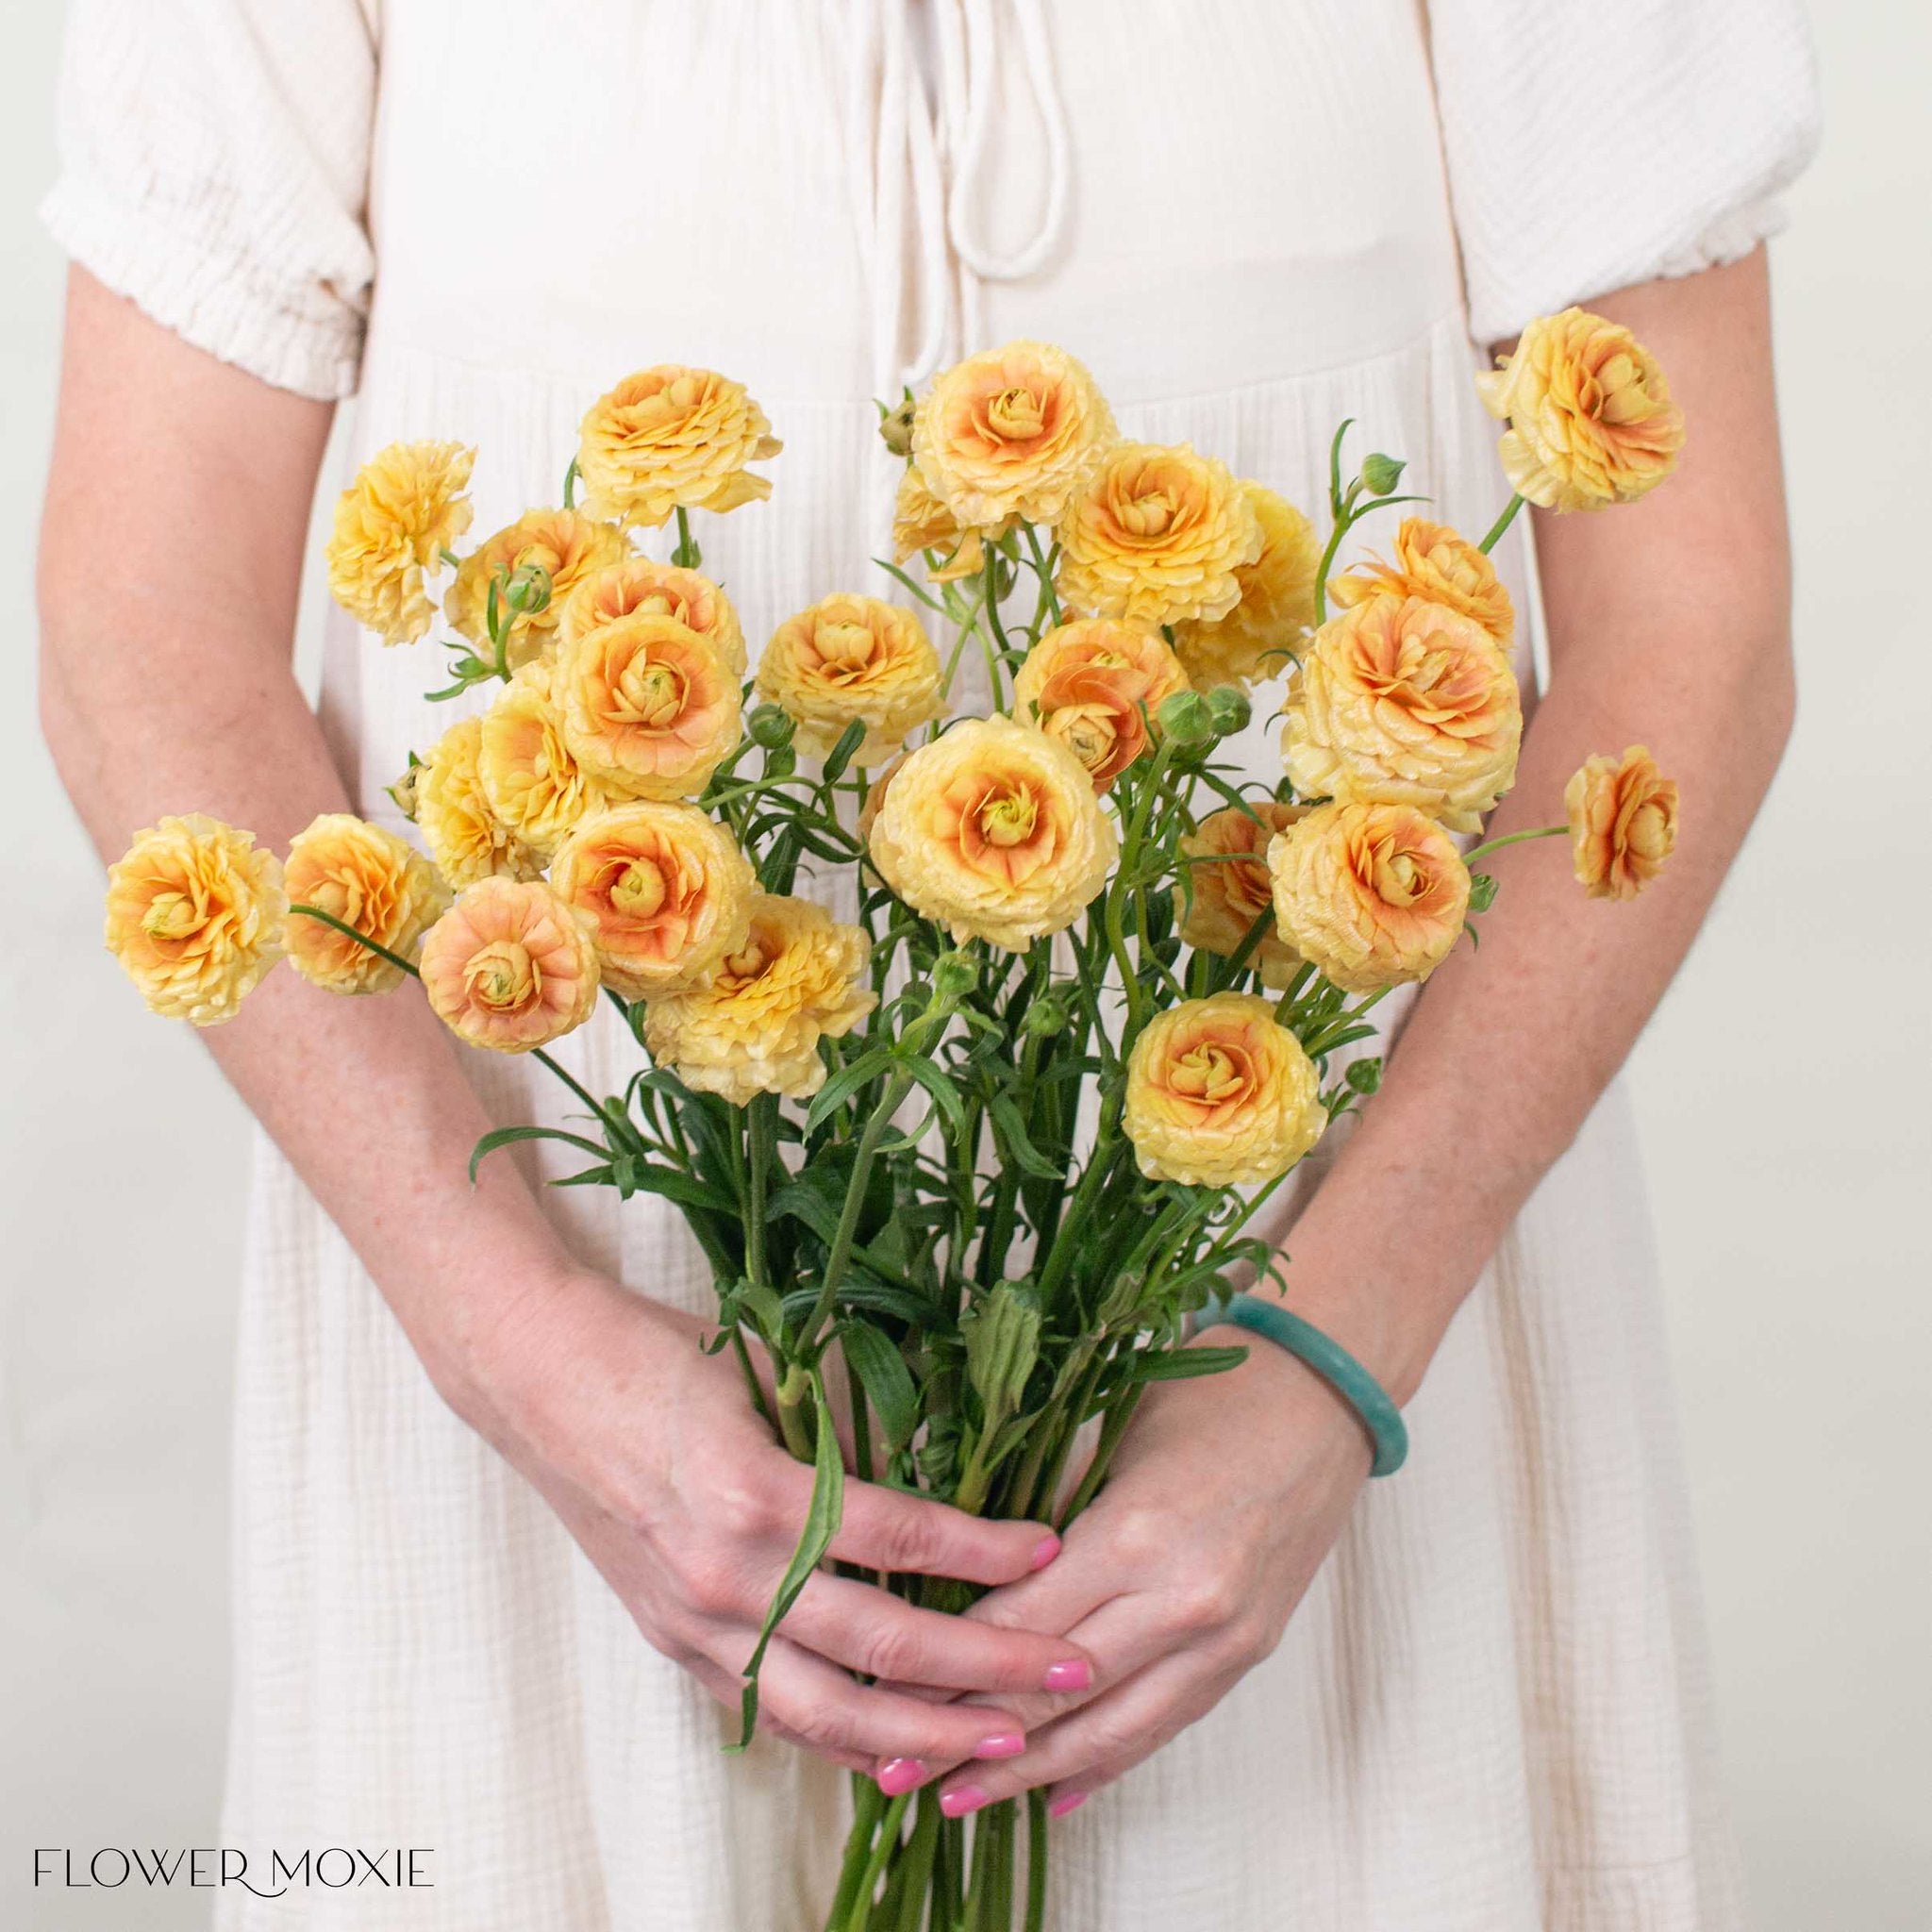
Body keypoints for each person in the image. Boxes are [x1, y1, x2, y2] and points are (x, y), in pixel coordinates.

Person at [37, 2, 1819, 1925]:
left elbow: (1689, 628)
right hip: (570, 1360)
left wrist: (1329, 1364)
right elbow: (145, 613)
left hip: (1320, 1321)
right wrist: (523, 1348)